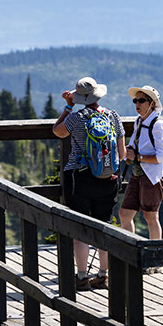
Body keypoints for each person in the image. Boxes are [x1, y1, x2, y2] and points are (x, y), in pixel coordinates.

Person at [52, 76, 126, 291]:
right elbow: (121, 154)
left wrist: (68, 107)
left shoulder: (77, 118)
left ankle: (82, 277)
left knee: (80, 228)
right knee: (104, 225)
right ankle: (103, 275)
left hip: (80, 177)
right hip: (109, 178)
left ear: (80, 98)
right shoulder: (113, 116)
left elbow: (58, 131)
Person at [119, 85, 163, 247]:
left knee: (151, 216)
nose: (137, 104)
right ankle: (130, 253)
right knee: (125, 214)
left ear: (152, 104)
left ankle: (155, 258)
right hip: (138, 173)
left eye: (141, 101)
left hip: (152, 176)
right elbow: (135, 143)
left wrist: (138, 157)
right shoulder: (139, 121)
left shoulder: (158, 124)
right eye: (135, 100)